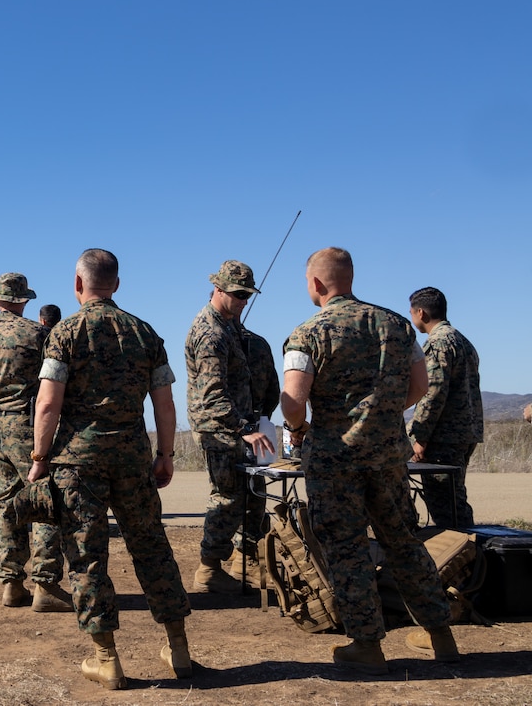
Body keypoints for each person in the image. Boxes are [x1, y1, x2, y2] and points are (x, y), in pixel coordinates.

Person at [281, 247, 459, 674]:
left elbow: (292, 401)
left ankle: (367, 644)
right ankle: (441, 635)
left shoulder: (307, 333)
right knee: (404, 541)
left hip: (334, 461)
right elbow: (420, 386)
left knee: (347, 549)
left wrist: (301, 430)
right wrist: (382, 416)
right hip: (388, 457)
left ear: (317, 283)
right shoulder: (398, 326)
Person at [23, 248, 193, 689]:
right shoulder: (145, 334)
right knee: (152, 548)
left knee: (86, 558)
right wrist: (167, 454)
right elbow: (165, 404)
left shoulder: (65, 333)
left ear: (78, 285)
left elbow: (47, 404)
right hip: (134, 460)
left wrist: (40, 460)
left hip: (78, 466)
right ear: (116, 285)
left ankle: (107, 658)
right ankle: (179, 650)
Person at [0, 273, 72, 612]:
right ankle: (45, 583)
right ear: (23, 300)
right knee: (45, 501)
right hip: (29, 424)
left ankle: (11, 582)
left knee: (6, 504)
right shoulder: (38, 334)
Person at [184, 261, 275, 593]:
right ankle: (209, 569)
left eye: (246, 296)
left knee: (253, 494)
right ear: (217, 289)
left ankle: (244, 559)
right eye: (237, 295)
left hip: (241, 427)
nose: (242, 301)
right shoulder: (210, 332)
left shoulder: (231, 327)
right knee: (227, 498)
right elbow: (213, 395)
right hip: (220, 430)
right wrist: (243, 427)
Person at [406, 287, 483, 529]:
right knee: (454, 500)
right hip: (463, 433)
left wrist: (420, 435)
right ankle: (471, 556)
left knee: (446, 507)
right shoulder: (463, 341)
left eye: (411, 312)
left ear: (421, 312)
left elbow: (432, 392)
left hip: (443, 437)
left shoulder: (438, 344)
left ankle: (464, 558)